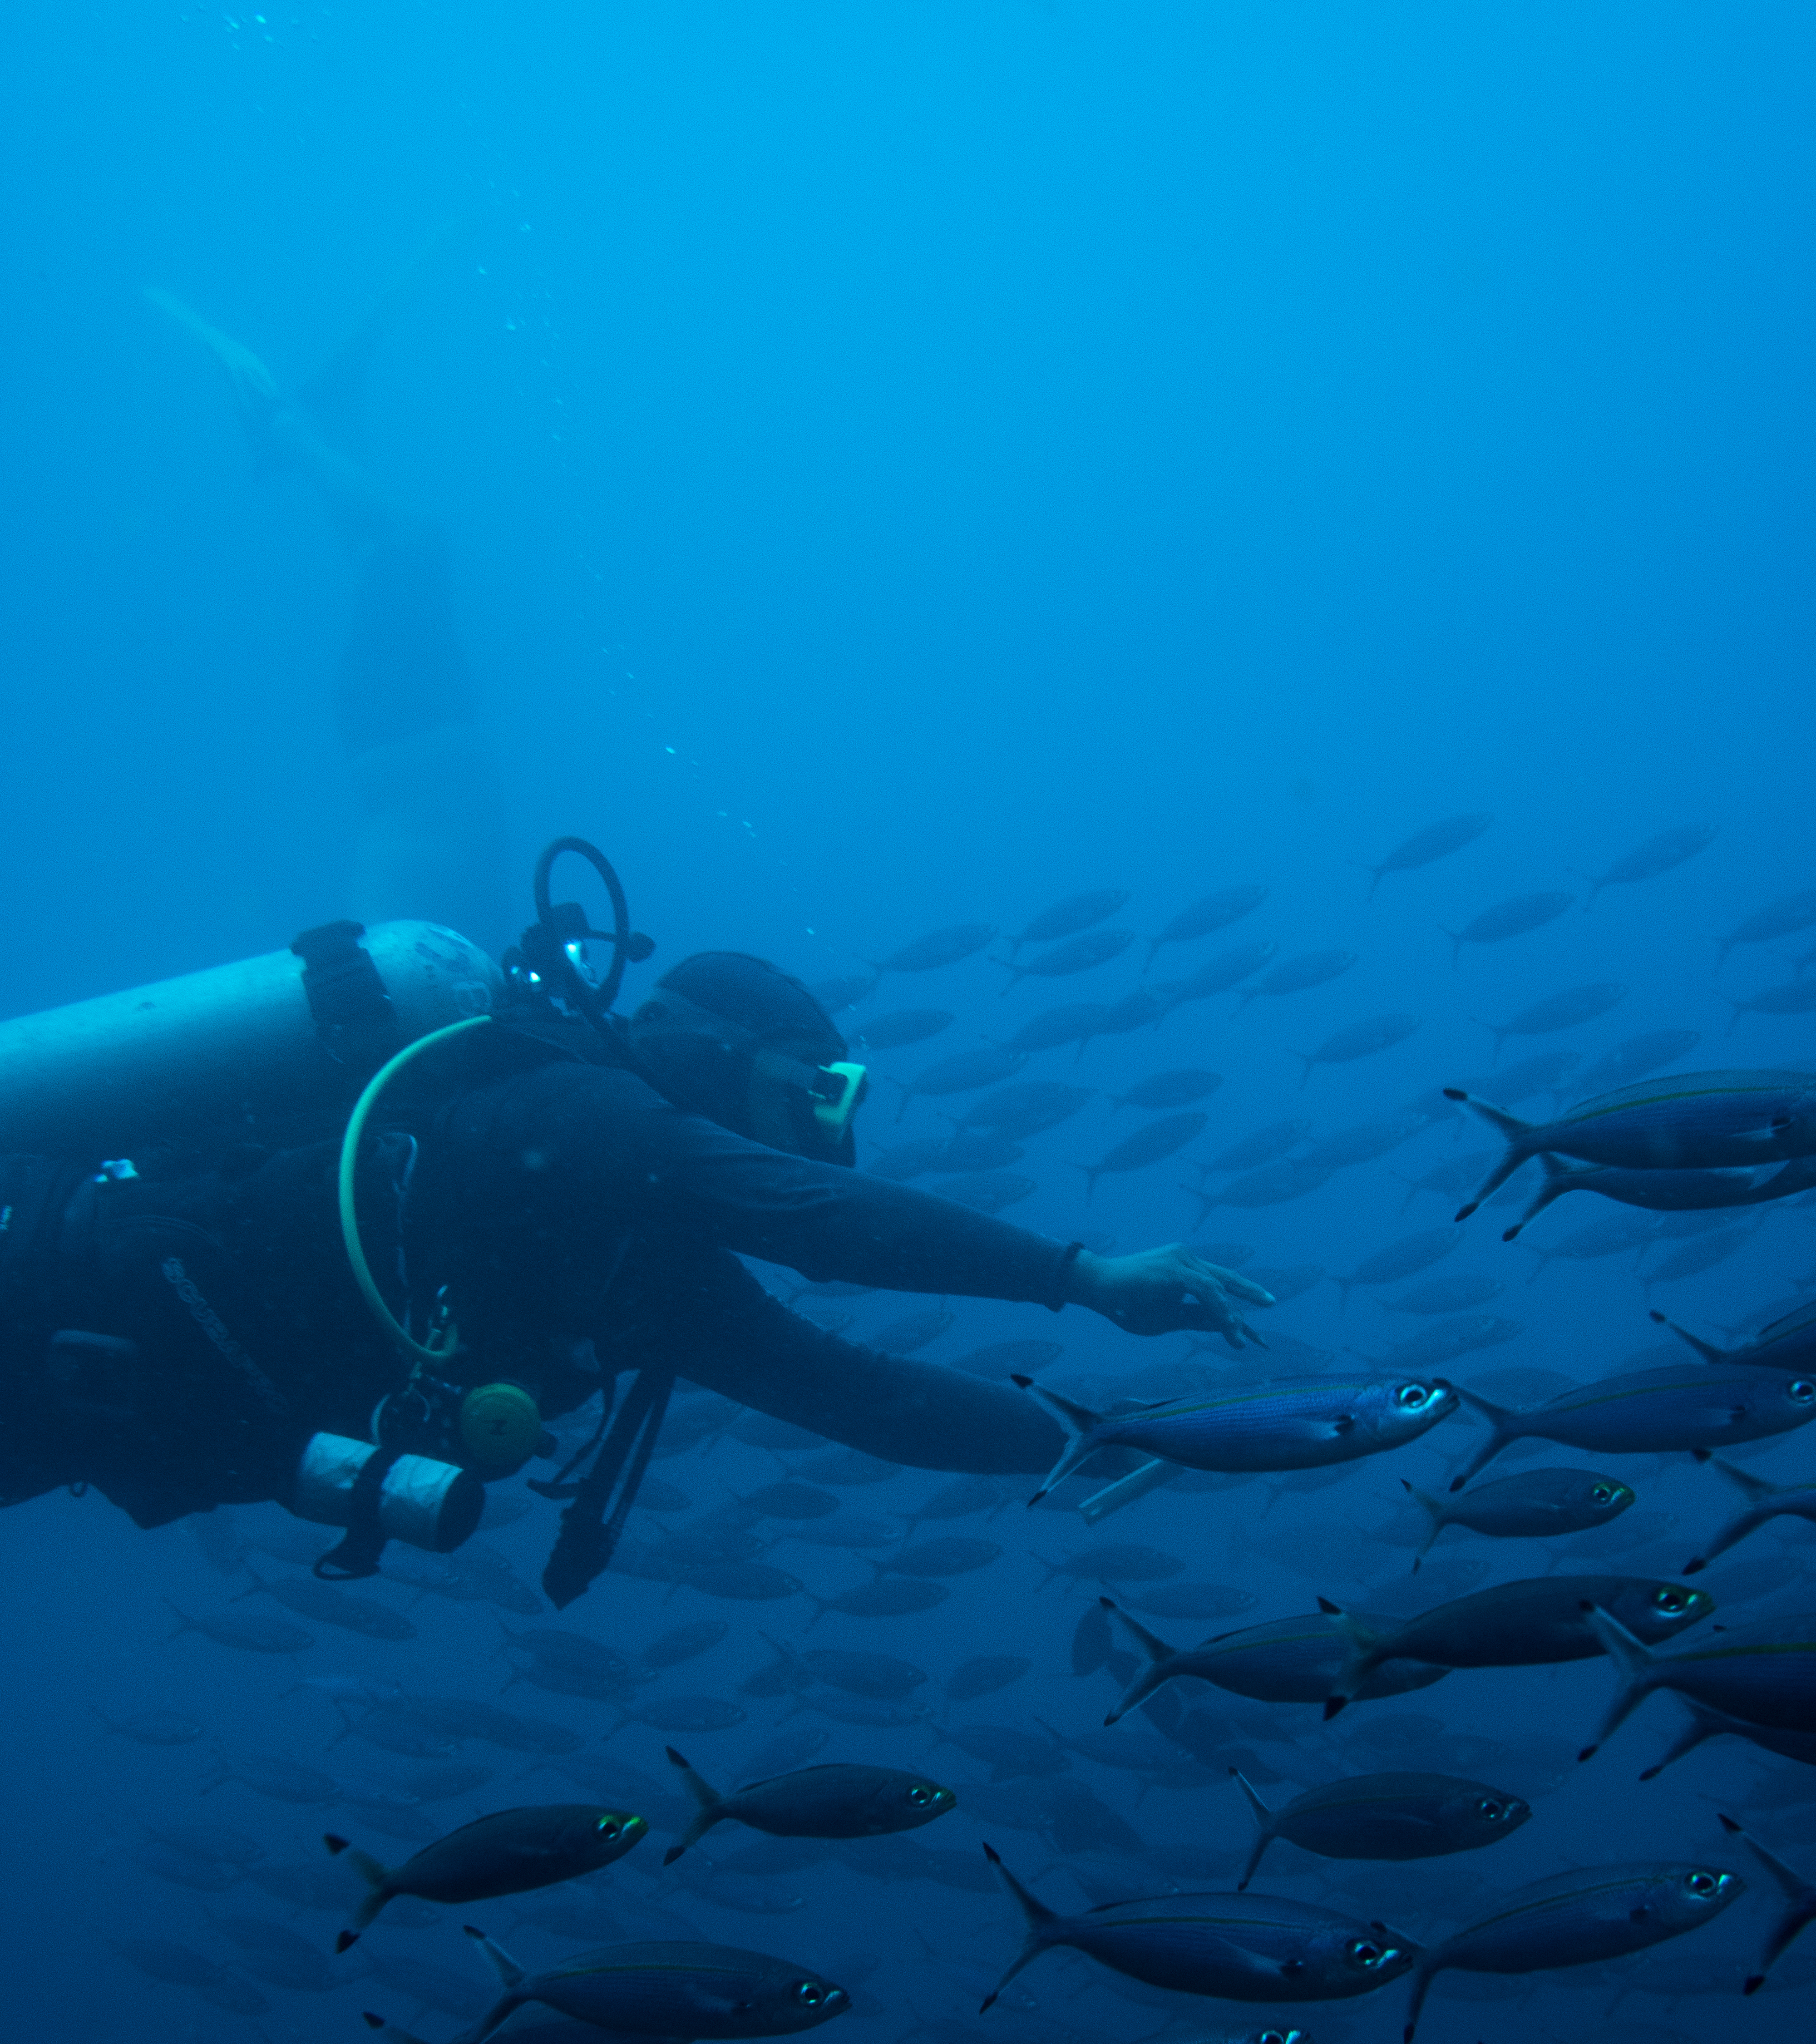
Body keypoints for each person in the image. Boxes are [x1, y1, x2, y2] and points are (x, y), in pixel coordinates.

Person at [0, 278, 1269, 1583]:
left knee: (431, 813)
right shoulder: (578, 1123)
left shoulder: (646, 1271)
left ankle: (387, 540)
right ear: (722, 1050)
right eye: (821, 1092)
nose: (833, 1129)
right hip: (49, 1316)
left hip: (84, 1403)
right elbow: (821, 1219)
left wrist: (1099, 1438)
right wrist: (1084, 1272)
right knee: (434, 816)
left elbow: (863, 1397)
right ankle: (387, 537)